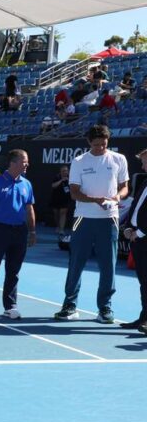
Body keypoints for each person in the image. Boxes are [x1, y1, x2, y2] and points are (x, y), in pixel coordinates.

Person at [54, 125, 130, 323]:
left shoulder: (118, 159)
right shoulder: (79, 161)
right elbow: (74, 193)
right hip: (83, 219)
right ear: (88, 142)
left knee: (108, 266)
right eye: (96, 145)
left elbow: (124, 188)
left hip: (109, 219)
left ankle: (105, 308)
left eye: (104, 145)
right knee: (76, 263)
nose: (100, 148)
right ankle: (70, 305)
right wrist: (95, 200)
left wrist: (115, 198)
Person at [0, 149, 36, 319]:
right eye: (24, 161)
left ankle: (10, 306)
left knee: (13, 271)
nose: (27, 164)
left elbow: (29, 208)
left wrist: (32, 231)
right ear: (13, 162)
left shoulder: (27, 184)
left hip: (19, 231)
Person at [120, 147, 147, 335]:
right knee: (143, 282)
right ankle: (144, 317)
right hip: (138, 239)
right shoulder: (145, 182)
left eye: (145, 162)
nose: (143, 166)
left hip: (143, 238)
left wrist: (141, 232)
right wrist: (129, 226)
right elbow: (136, 208)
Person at [49, 166, 72, 241]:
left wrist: (68, 181)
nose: (65, 172)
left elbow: (73, 187)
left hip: (65, 199)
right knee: (56, 213)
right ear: (60, 172)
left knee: (63, 212)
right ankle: (58, 226)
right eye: (63, 171)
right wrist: (61, 180)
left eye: (66, 171)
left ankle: (61, 229)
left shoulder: (71, 178)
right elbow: (53, 185)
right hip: (56, 198)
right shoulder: (57, 177)